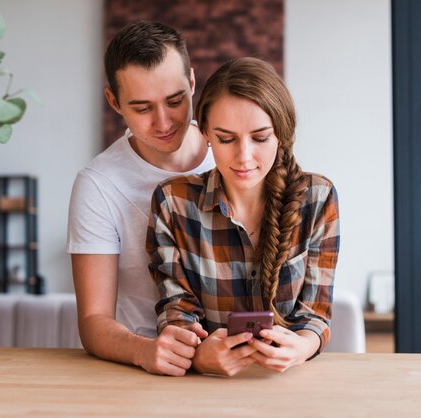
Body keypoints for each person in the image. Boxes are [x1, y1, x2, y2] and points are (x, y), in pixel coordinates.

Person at [146, 57, 340, 376]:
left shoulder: (317, 198)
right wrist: (198, 356)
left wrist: (302, 347)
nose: (244, 157)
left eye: (261, 138)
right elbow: (177, 313)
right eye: (226, 139)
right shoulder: (173, 202)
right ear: (206, 131)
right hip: (203, 384)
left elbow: (315, 315)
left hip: (290, 382)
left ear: (281, 134)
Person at [67, 21, 215, 376]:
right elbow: (93, 320)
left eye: (175, 101)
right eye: (142, 108)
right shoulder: (98, 184)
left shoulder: (235, 157)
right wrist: (146, 351)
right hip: (151, 372)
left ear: (192, 83)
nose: (163, 122)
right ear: (114, 102)